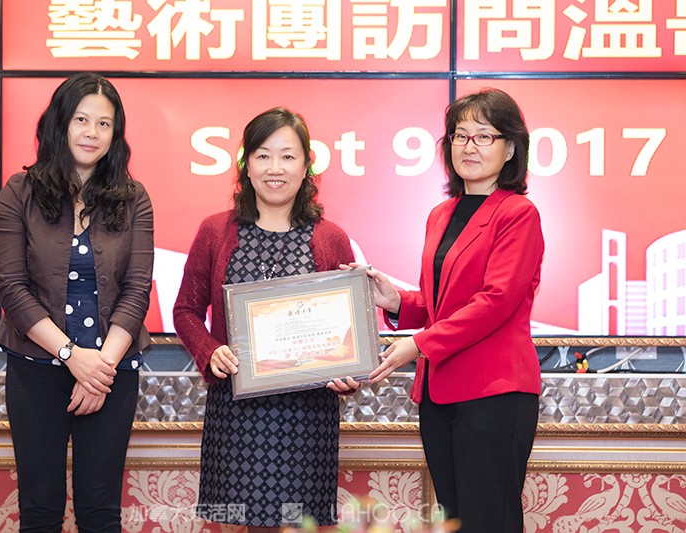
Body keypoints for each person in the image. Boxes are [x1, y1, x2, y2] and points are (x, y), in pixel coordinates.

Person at [364, 88, 544, 533]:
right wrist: (395, 301)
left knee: (489, 522)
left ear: (510, 149)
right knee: (456, 522)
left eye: (484, 136)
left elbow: (496, 300)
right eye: (459, 135)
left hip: (494, 393)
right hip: (440, 394)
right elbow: (442, 303)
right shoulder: (441, 214)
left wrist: (418, 344)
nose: (469, 146)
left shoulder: (518, 213)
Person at [173, 107, 360, 531]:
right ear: (246, 164)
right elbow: (186, 310)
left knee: (298, 524)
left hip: (307, 418)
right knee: (238, 523)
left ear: (307, 165)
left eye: (288, 156)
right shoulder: (215, 231)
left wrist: (348, 372)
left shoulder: (331, 238)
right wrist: (210, 350)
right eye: (263, 155)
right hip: (236, 410)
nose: (275, 168)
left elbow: (348, 327)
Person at [0, 72, 154, 532]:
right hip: (35, 367)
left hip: (111, 371)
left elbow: (137, 289)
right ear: (60, 122)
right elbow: (12, 288)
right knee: (40, 510)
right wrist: (70, 356)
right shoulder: (18, 192)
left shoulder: (134, 198)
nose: (92, 133)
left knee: (100, 513)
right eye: (82, 120)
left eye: (104, 124)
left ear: (115, 134)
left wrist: (99, 368)